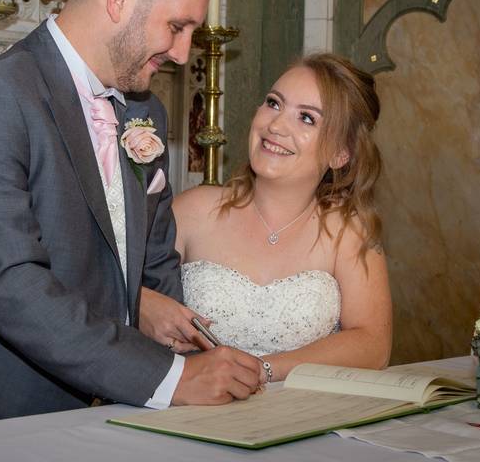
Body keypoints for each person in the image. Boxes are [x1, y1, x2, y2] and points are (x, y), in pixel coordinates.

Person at [0, 0, 262, 430]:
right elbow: (11, 284)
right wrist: (168, 378)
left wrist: (179, 351)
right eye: (176, 26)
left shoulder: (145, 111)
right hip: (1, 413)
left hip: (125, 413)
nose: (185, 54)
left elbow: (154, 260)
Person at [141, 53, 392, 381]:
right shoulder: (193, 210)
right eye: (274, 103)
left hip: (299, 416)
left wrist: (263, 369)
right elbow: (118, 292)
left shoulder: (347, 232)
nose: (275, 126)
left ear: (340, 153)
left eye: (306, 118)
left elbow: (373, 344)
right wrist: (141, 303)